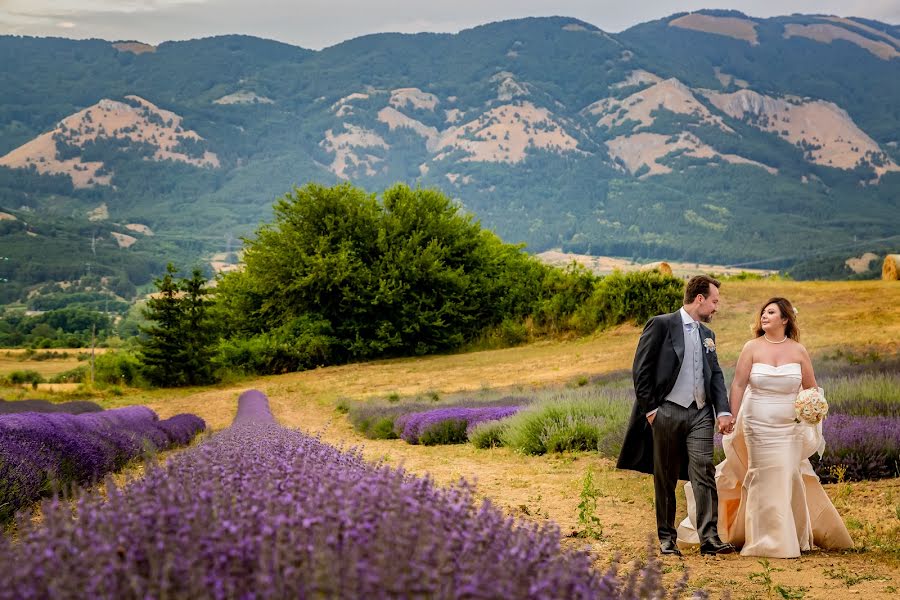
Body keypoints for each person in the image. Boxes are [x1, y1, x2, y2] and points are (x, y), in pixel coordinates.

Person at [678, 297, 853, 557]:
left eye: (771, 312)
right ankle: (761, 540)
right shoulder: (751, 348)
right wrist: (731, 416)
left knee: (785, 476)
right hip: (757, 425)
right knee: (760, 477)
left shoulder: (798, 350)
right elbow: (738, 385)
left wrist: (813, 407)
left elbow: (811, 387)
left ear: (785, 319)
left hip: (789, 428)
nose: (764, 316)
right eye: (763, 312)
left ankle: (786, 538)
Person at [617, 275, 736, 557]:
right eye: (714, 301)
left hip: (700, 413)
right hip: (666, 410)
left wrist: (723, 410)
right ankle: (667, 538)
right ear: (699, 299)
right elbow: (641, 369)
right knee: (666, 475)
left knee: (704, 471)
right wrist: (651, 411)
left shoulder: (708, 335)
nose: (716, 307)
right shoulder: (662, 324)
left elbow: (715, 374)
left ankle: (709, 538)